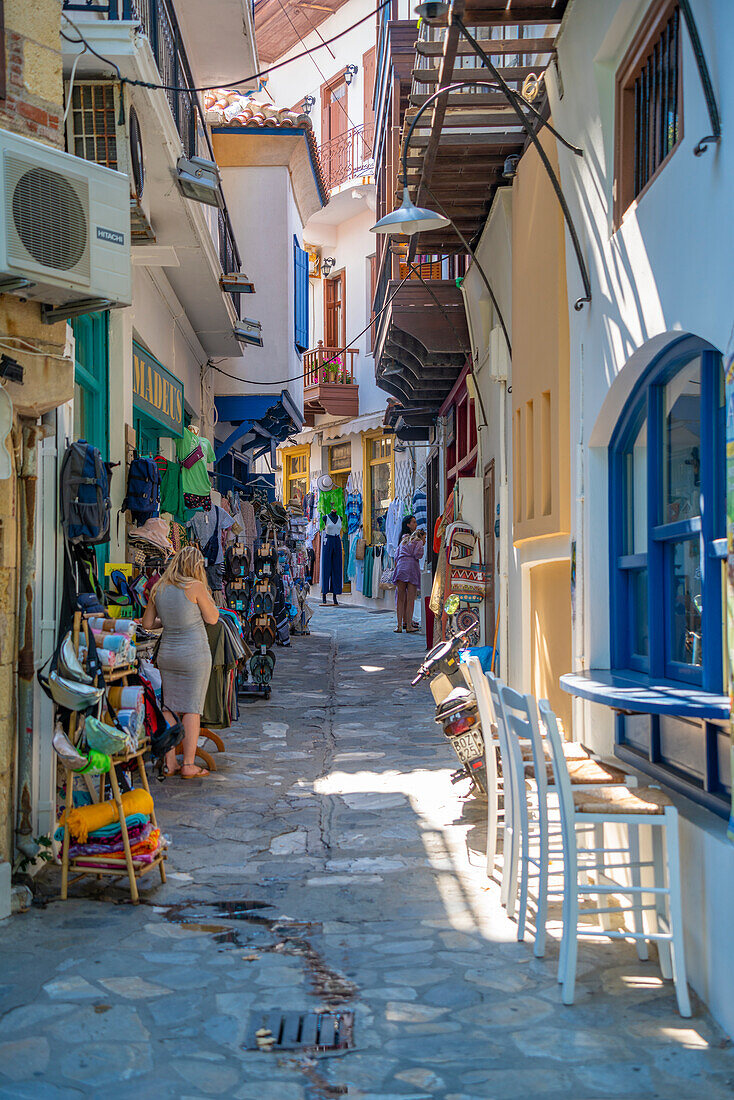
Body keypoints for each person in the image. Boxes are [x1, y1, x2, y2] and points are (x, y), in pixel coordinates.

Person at [142, 546, 219, 778]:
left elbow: (147, 624)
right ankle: (188, 764)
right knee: (192, 709)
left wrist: (169, 622)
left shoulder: (159, 587)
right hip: (194, 655)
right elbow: (212, 618)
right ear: (196, 566)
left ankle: (169, 762)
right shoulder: (195, 586)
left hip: (168, 654)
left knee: (169, 707)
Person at [393, 514, 426, 633]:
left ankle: (399, 625)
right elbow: (418, 555)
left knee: (400, 598)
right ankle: (409, 625)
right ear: (408, 524)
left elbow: (396, 556)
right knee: (410, 598)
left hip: (401, 568)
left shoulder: (403, 540)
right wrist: (422, 543)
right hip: (411, 568)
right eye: (413, 522)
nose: (416, 524)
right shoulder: (417, 541)